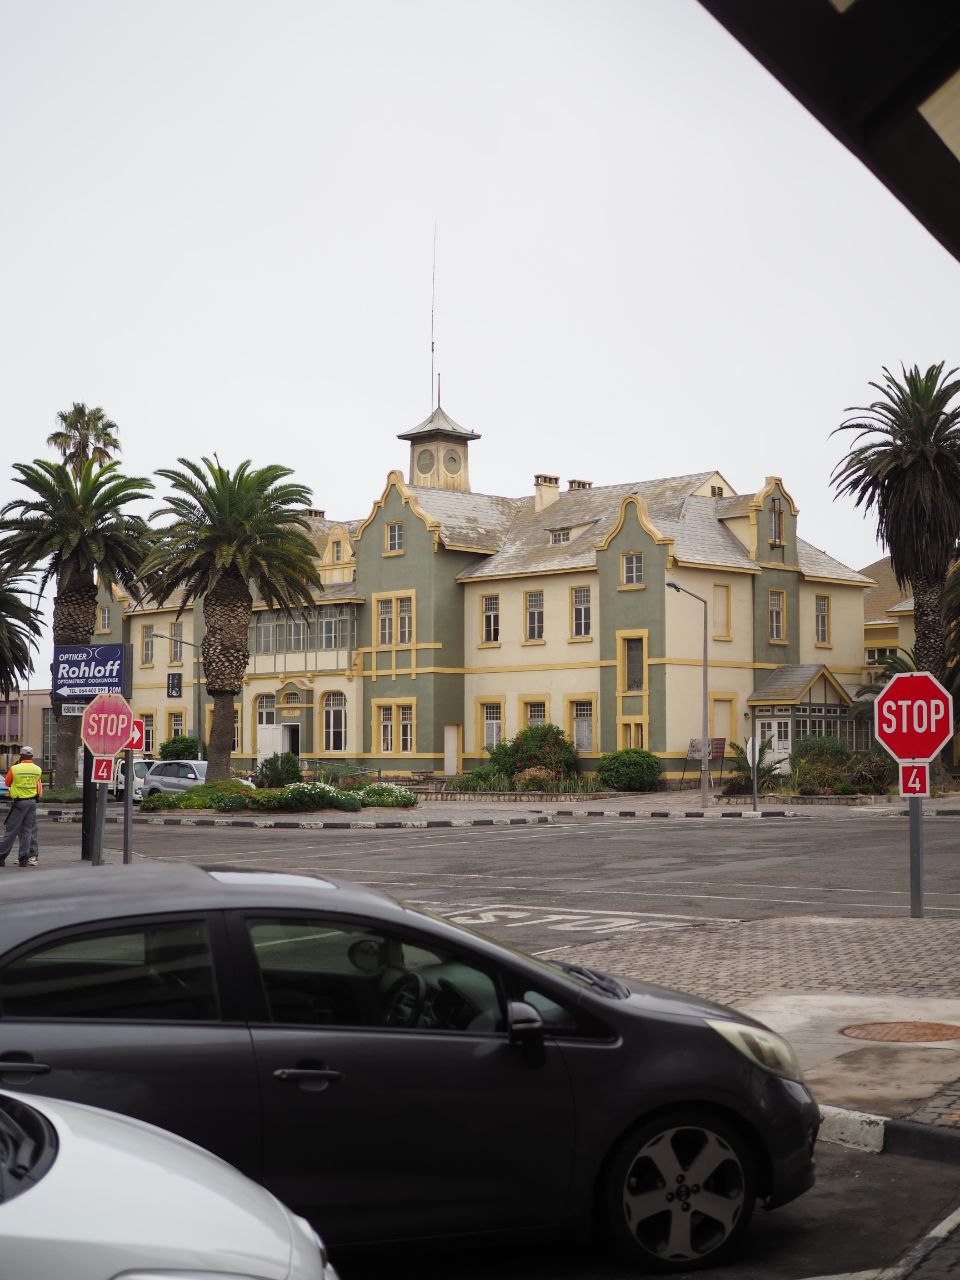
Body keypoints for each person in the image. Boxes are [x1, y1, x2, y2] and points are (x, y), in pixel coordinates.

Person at [0, 746, 43, 867]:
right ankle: (23, 858)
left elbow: (7, 783)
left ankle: (1, 856)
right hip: (32, 803)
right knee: (27, 830)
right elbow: (36, 783)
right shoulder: (37, 769)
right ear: (32, 756)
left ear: (21, 756)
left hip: (19, 803)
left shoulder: (15, 769)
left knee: (11, 830)